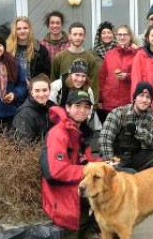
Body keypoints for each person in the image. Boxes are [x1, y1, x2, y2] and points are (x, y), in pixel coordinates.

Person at [40, 89, 100, 238]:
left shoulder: (79, 132)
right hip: (60, 192)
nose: (82, 110)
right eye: (78, 105)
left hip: (75, 185)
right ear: (67, 108)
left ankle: (90, 229)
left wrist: (103, 164)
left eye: (86, 107)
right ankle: (91, 230)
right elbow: (56, 171)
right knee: (110, 195)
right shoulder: (58, 133)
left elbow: (84, 160)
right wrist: (90, 169)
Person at [99, 82, 153, 172]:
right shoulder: (118, 113)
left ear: (151, 101)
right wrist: (111, 166)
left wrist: (137, 131)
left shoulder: (149, 117)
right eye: (141, 95)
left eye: (148, 97)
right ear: (135, 98)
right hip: (117, 159)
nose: (144, 100)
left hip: (135, 157)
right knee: (131, 173)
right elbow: (105, 141)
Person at [50, 22, 99, 104]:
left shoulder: (91, 59)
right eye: (75, 34)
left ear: (84, 37)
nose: (77, 37)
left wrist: (93, 106)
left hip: (84, 103)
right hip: (63, 102)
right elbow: (53, 79)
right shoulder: (60, 57)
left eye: (80, 34)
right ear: (70, 36)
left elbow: (94, 85)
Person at [98, 24, 138, 123]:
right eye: (119, 34)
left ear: (130, 37)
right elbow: (102, 77)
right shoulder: (110, 54)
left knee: (126, 135)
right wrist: (101, 97)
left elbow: (141, 76)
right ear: (116, 37)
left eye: (125, 34)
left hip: (128, 102)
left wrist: (127, 76)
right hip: (109, 101)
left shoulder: (137, 54)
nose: (122, 37)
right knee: (110, 134)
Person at [12, 73, 55, 147]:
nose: (41, 94)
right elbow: (23, 145)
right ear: (31, 92)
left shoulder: (53, 107)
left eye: (44, 90)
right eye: (37, 91)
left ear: (49, 90)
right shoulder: (24, 114)